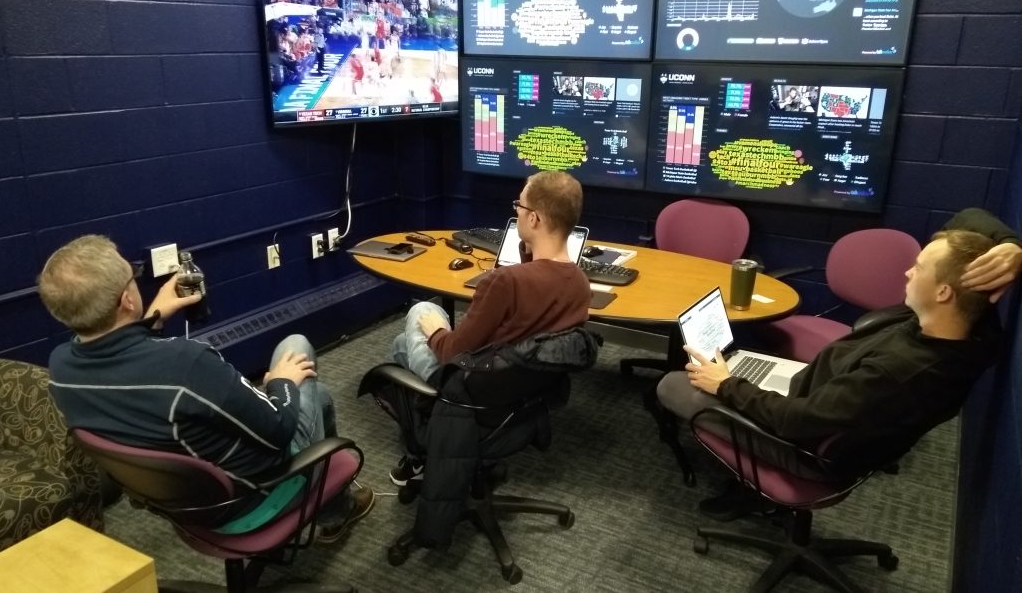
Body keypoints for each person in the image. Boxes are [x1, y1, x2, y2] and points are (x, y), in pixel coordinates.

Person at [657, 207, 1022, 518]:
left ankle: (754, 485)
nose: (908, 272)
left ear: (944, 292)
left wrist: (725, 385)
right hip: (826, 407)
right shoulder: (973, 325)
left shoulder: (896, 372)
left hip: (807, 450)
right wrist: (1012, 247)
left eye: (920, 268)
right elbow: (971, 217)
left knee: (672, 385)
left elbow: (795, 421)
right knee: (732, 365)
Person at [37, 235, 374, 541]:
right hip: (249, 496)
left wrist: (154, 316)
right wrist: (281, 383)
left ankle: (333, 504)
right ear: (126, 299)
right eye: (133, 277)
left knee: (316, 393)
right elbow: (278, 430)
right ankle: (334, 509)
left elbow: (124, 363)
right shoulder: (187, 364)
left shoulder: (61, 365)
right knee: (300, 354)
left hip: (184, 502)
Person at [388, 171, 591, 484]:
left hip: (475, 393)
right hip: (525, 393)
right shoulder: (579, 282)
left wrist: (434, 331)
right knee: (403, 344)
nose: (516, 212)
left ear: (534, 219)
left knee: (421, 313)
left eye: (519, 208)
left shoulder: (504, 282)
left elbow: (452, 351)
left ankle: (422, 449)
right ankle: (422, 433)